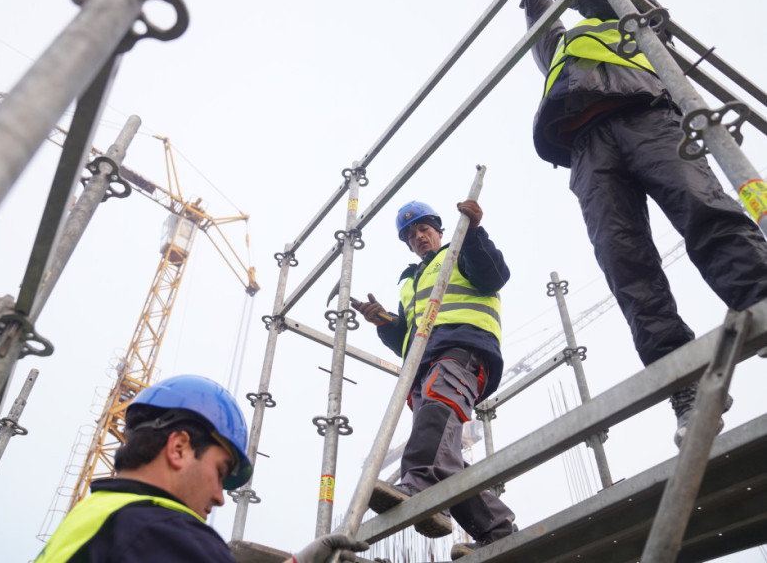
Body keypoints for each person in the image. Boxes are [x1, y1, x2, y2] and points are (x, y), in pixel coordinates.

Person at [517, 0, 767, 446]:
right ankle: (684, 384)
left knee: (704, 211)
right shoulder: (557, 50)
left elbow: (633, 0)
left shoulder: (631, 26)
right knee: (624, 262)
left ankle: (760, 296)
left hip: (646, 115)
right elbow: (541, 20)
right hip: (586, 146)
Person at [34, 374, 368, 563]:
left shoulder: (98, 519)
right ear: (178, 448)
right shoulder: (159, 531)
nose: (220, 497)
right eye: (221, 473)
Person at [353, 200, 516, 559]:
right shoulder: (410, 283)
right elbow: (409, 338)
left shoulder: (458, 250)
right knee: (446, 453)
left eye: (424, 229)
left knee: (437, 416)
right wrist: (385, 322)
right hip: (424, 363)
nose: (419, 237)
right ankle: (497, 530)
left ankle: (419, 487)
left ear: (439, 230)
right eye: (411, 235)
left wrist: (473, 231)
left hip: (464, 348)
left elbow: (493, 276)